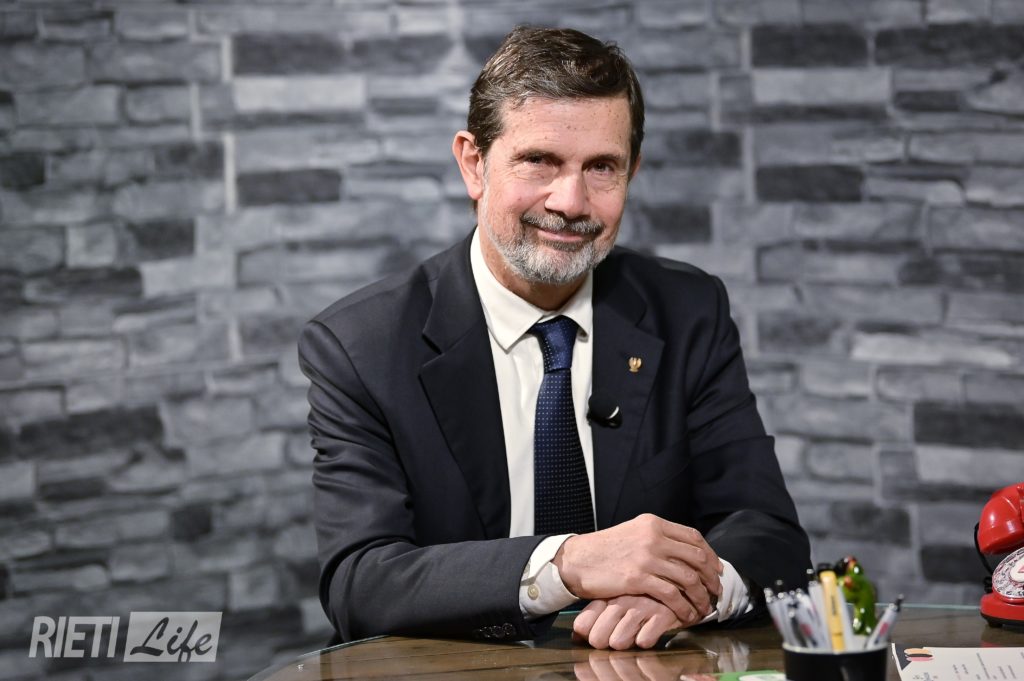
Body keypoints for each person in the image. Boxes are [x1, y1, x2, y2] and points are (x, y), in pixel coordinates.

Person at [298, 26, 810, 651]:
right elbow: (361, 584)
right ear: (473, 163)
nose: (571, 202)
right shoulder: (361, 345)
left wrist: (685, 592)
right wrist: (564, 565)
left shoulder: (687, 311)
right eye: (539, 161)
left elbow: (769, 535)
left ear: (632, 171)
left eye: (602, 167)